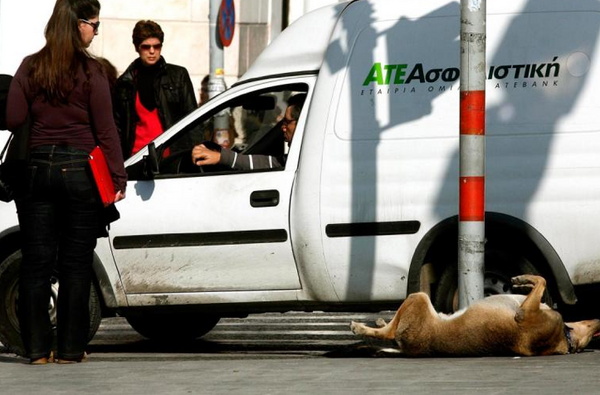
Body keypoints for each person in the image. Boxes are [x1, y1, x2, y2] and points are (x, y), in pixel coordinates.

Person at [5, 0, 126, 364]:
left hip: (37, 170)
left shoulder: (31, 66)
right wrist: (118, 176)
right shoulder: (92, 72)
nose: (96, 31)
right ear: (77, 25)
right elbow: (106, 129)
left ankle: (37, 350)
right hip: (80, 173)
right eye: (94, 24)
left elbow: (13, 118)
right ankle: (71, 349)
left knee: (36, 262)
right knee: (75, 263)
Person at [113, 20, 198, 159]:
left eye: (156, 46)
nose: (152, 51)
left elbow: (193, 119)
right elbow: (117, 128)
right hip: (136, 158)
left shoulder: (178, 76)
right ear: (137, 48)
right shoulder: (124, 83)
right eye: (146, 47)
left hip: (171, 158)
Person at [191, 93, 306, 170]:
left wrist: (222, 157)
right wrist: (222, 157)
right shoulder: (296, 157)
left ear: (302, 122)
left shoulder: (310, 159)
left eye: (286, 122)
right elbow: (268, 162)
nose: (283, 127)